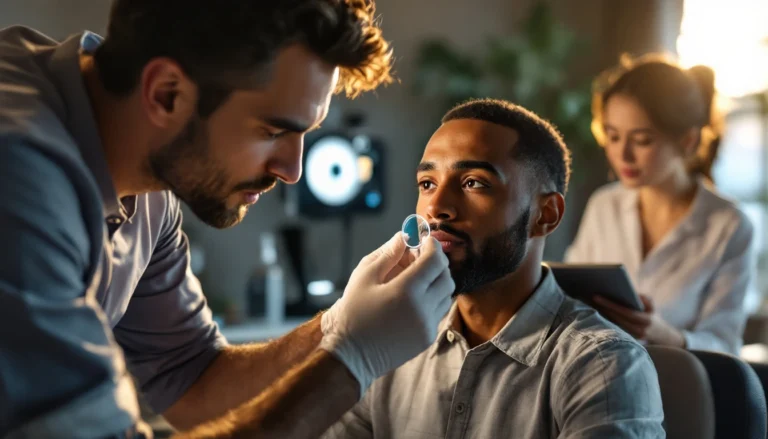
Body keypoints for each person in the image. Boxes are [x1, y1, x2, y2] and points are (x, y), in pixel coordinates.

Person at [0, 1, 456, 438]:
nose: (292, 171)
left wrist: (339, 324)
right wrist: (353, 359)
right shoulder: (18, 176)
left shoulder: (150, 179)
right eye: (272, 131)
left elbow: (194, 380)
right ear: (166, 93)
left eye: (304, 134)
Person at [322, 99, 665, 438]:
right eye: (427, 184)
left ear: (545, 215)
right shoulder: (392, 340)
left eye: (473, 183)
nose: (436, 207)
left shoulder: (602, 366)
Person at [565, 55, 756, 355]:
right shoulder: (605, 205)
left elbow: (726, 347)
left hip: (679, 387)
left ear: (688, 141)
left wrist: (662, 333)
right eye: (613, 136)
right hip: (596, 376)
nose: (622, 155)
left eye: (641, 140)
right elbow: (567, 299)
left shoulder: (729, 225)